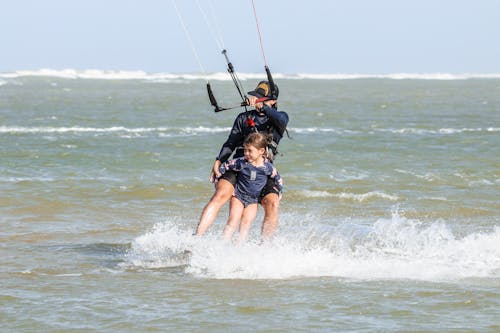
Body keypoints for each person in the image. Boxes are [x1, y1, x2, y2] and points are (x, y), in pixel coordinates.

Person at [194, 80, 289, 240]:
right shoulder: (243, 118)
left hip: (262, 171)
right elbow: (231, 143)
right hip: (238, 166)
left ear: (272, 101)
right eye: (255, 97)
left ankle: (264, 247)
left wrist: (263, 108)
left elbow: (281, 119)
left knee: (272, 204)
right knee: (220, 195)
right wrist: (218, 161)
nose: (256, 100)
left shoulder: (279, 119)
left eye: (261, 98)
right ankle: (196, 238)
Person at [219, 133, 283, 244]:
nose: (246, 154)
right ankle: (222, 244)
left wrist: (279, 193)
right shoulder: (241, 162)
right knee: (233, 221)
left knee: (246, 224)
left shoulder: (267, 167)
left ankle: (238, 248)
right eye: (245, 150)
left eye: (249, 151)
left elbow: (278, 178)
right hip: (238, 196)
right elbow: (225, 166)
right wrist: (218, 179)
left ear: (261, 151)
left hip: (253, 201)